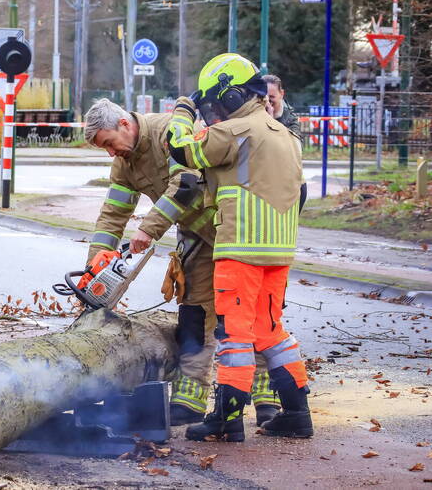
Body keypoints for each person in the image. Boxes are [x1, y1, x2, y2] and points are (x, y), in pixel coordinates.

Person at [82, 99, 277, 426]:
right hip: (196, 236)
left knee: (249, 313)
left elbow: (186, 186)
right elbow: (113, 216)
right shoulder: (125, 163)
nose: (110, 153)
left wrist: (149, 228)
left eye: (108, 143)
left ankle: (267, 396)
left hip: (233, 230)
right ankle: (189, 399)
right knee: (194, 313)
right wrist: (95, 267)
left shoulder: (168, 133)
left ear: (124, 126)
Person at [168, 53, 312, 442]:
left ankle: (227, 418)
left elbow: (181, 150)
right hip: (278, 251)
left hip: (240, 248)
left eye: (215, 103)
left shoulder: (235, 131)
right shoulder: (285, 135)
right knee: (270, 330)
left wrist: (182, 110)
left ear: (231, 97)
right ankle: (297, 412)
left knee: (233, 334)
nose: (213, 113)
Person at [262, 74, 301, 141]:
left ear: (281, 94)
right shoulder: (252, 113)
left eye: (271, 97)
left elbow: (297, 146)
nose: (267, 101)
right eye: (263, 96)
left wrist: (271, 122)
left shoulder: (290, 119)